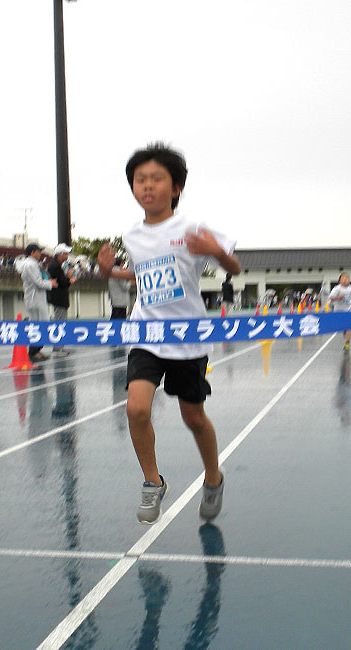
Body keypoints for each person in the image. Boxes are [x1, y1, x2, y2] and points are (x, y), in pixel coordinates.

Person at [97, 142, 241, 525]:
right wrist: (111, 272)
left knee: (193, 417)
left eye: (156, 178)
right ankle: (153, 482)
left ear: (175, 187)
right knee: (136, 408)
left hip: (187, 337)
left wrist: (216, 252)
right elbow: (142, 274)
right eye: (140, 179)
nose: (147, 185)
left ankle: (213, 477)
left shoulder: (192, 228)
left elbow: (235, 268)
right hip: (145, 333)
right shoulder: (131, 235)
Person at [16, 243, 57, 361]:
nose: (40, 253)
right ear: (32, 252)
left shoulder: (32, 264)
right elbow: (38, 282)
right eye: (38, 251)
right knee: (39, 325)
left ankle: (36, 350)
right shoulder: (30, 265)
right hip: (35, 299)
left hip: (36, 298)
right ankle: (33, 351)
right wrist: (51, 283)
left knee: (40, 324)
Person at [47, 243, 78, 356]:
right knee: (60, 322)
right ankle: (57, 348)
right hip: (58, 298)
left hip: (59, 298)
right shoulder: (55, 266)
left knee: (61, 321)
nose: (67, 255)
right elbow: (62, 283)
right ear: (60, 254)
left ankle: (59, 347)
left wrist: (67, 279)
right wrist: (69, 278)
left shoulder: (56, 265)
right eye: (65, 253)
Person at [328, 273, 351, 350]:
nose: (346, 280)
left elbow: (350, 297)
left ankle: (347, 343)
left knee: (348, 327)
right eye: (344, 278)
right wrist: (338, 298)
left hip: (348, 309)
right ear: (339, 281)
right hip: (338, 310)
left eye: (347, 278)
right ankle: (344, 329)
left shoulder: (350, 288)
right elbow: (331, 298)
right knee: (341, 326)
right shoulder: (337, 289)